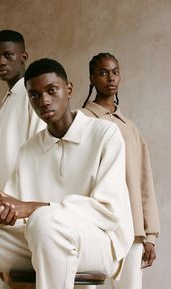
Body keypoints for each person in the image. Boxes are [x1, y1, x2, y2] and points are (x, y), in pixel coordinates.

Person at [0, 58, 134, 289]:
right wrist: (2, 210)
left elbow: (108, 212)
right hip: (38, 239)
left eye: (52, 90)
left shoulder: (104, 134)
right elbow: (16, 207)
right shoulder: (29, 149)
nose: (44, 101)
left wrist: (32, 208)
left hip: (99, 244)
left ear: (68, 89)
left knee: (44, 220)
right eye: (35, 95)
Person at [81, 52, 160, 289]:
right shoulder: (82, 120)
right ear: (92, 78)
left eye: (115, 72)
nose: (111, 78)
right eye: (103, 73)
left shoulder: (130, 128)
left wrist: (150, 236)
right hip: (94, 225)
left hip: (132, 227)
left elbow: (144, 181)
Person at [0, 29, 45, 207]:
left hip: (19, 201)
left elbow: (40, 148)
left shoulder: (32, 96)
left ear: (23, 57)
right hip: (0, 202)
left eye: (8, 55)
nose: (1, 62)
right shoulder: (9, 100)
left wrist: (24, 203)